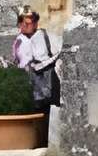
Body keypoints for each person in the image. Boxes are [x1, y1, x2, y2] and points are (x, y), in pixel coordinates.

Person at [10, 9, 62, 138]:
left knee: (47, 108)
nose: (25, 26)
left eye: (29, 23)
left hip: (44, 78)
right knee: (34, 109)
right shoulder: (18, 41)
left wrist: (40, 65)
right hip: (28, 81)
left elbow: (54, 53)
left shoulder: (42, 36)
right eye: (22, 23)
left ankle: (46, 139)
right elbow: (19, 60)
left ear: (35, 23)